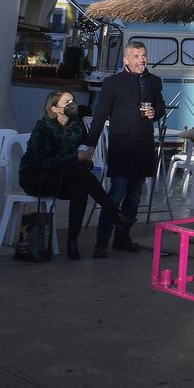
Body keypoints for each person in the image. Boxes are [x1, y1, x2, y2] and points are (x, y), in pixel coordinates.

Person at [19, 90, 132, 260]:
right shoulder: (43, 126)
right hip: (37, 177)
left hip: (67, 176)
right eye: (66, 102)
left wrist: (86, 159)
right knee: (79, 174)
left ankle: (73, 240)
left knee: (80, 186)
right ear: (55, 108)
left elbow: (82, 152)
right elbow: (44, 162)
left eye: (73, 100)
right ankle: (115, 214)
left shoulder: (77, 125)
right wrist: (76, 158)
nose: (72, 105)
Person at [84, 40, 162, 258]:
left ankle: (122, 236)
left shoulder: (154, 81)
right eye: (136, 56)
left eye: (144, 55)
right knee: (116, 193)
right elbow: (100, 114)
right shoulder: (113, 83)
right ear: (126, 60)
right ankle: (102, 240)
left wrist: (155, 112)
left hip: (143, 146)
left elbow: (161, 107)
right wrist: (91, 143)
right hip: (122, 146)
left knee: (135, 195)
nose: (141, 60)